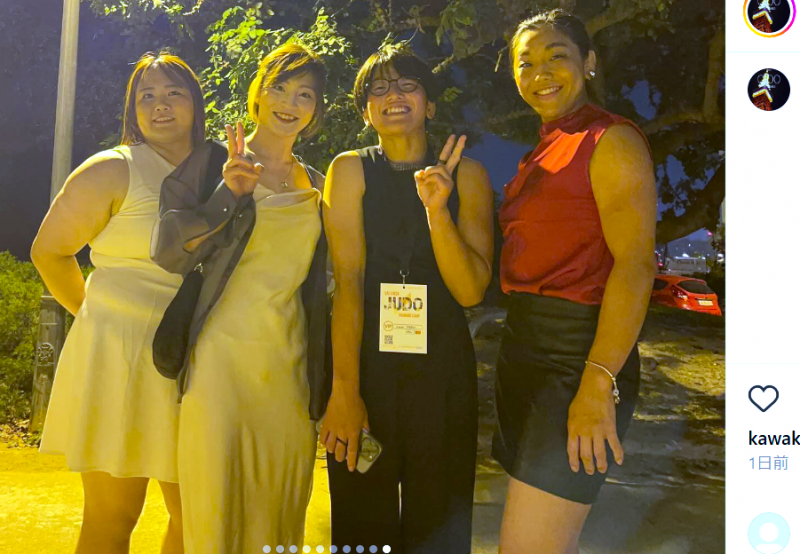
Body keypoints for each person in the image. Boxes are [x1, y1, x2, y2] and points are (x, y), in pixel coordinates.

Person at [150, 41, 328, 554]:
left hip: (289, 370)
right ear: (258, 93)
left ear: (316, 109)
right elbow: (167, 251)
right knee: (215, 509)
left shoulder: (318, 183)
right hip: (220, 363)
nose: (289, 103)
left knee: (278, 511)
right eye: (279, 87)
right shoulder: (211, 162)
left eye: (305, 94)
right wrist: (228, 196)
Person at [492, 10, 657, 554]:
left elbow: (635, 265)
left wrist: (596, 382)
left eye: (556, 56)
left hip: (576, 360)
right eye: (526, 63)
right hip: (526, 353)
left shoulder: (610, 139)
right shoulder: (544, 147)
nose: (539, 72)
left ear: (588, 62)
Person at [321, 43, 494, 553]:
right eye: (378, 89)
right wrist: (344, 392)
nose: (393, 95)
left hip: (442, 371)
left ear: (431, 104)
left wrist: (438, 210)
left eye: (407, 85)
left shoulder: (468, 176)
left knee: (439, 528)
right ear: (365, 112)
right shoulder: (349, 170)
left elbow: (470, 290)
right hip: (367, 368)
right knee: (360, 524)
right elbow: (348, 282)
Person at [31, 51, 206, 554]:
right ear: (133, 110)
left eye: (173, 92)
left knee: (198, 516)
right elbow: (49, 251)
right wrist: (98, 316)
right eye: (146, 96)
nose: (160, 105)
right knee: (114, 517)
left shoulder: (220, 171)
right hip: (120, 359)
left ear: (195, 103)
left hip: (198, 360)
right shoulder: (113, 168)